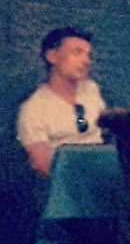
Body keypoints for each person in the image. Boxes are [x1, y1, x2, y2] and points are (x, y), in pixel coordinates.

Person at [17, 27, 105, 177]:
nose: (85, 61)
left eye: (88, 55)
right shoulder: (33, 109)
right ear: (52, 56)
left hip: (105, 175)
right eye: (77, 52)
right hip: (67, 183)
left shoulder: (91, 90)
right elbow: (43, 164)